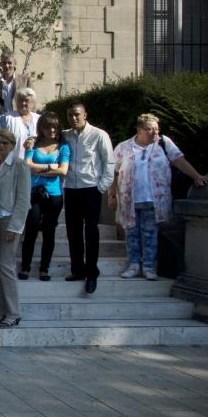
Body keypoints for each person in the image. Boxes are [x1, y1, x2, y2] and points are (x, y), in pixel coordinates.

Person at [109, 113, 208, 280]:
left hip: (154, 199)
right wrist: (112, 194)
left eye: (156, 128)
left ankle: (148, 266)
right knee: (131, 233)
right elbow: (114, 171)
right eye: (149, 129)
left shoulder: (163, 143)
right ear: (139, 130)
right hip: (129, 199)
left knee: (150, 233)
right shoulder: (124, 147)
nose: (154, 132)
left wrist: (196, 176)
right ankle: (133, 265)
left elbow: (179, 160)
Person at [63, 102, 116, 294]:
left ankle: (92, 272)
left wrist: (100, 188)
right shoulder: (66, 135)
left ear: (85, 114)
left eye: (77, 114)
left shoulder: (99, 135)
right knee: (73, 232)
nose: (74, 118)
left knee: (91, 231)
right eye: (70, 115)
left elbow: (109, 162)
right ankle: (77, 270)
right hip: (71, 189)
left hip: (91, 189)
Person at [0, 130, 31, 327]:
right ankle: (3, 311)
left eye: (5, 142)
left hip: (9, 220)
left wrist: (15, 227)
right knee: (0, 267)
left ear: (13, 144)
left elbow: (23, 200)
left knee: (6, 266)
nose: (1, 145)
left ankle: (13, 313)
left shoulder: (20, 165)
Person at [21, 112, 70, 280]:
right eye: (48, 126)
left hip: (54, 194)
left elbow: (63, 170)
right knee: (31, 229)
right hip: (34, 192)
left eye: (55, 127)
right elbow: (27, 165)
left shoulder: (63, 147)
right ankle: (25, 267)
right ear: (41, 127)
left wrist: (39, 168)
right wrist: (51, 167)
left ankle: (44, 268)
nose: (52, 130)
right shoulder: (33, 144)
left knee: (49, 232)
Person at [0, 87, 40, 161]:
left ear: (33, 103)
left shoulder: (39, 119)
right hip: (12, 164)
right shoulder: (6, 118)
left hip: (36, 166)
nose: (23, 103)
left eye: (26, 101)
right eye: (20, 100)